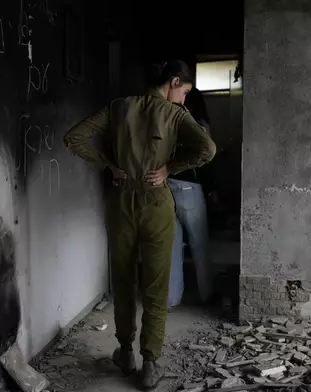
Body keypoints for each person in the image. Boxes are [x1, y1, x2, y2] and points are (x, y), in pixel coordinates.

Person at [63, 60, 216, 390]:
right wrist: (170, 168)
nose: (184, 99)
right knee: (156, 284)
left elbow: (74, 138)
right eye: (184, 91)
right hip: (156, 201)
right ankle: (150, 364)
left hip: (121, 200)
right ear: (173, 82)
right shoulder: (175, 115)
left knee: (123, 279)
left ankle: (125, 352)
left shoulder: (120, 107)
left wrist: (108, 164)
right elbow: (208, 148)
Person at [167, 87, 215, 309]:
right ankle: (207, 295)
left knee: (173, 245)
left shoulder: (167, 120)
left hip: (166, 184)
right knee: (199, 244)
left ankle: (172, 298)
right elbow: (206, 159)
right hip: (190, 188)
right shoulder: (198, 124)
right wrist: (212, 189)